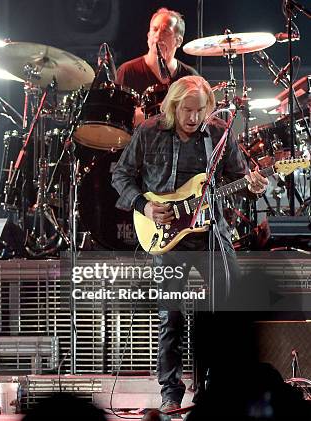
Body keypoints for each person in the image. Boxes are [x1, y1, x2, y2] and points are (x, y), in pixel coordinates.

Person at [112, 75, 268, 413]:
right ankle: (170, 391)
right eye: (187, 109)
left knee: (223, 311)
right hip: (168, 239)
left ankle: (214, 386)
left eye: (200, 110)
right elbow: (120, 175)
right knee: (172, 315)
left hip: (211, 233)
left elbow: (239, 177)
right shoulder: (150, 132)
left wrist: (253, 186)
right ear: (173, 105)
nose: (194, 117)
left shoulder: (218, 134)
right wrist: (146, 206)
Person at [116, 8, 197, 124]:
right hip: (137, 140)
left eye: (165, 31)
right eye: (154, 29)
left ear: (178, 41)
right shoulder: (127, 71)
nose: (158, 36)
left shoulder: (189, 77)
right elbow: (116, 118)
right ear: (148, 36)